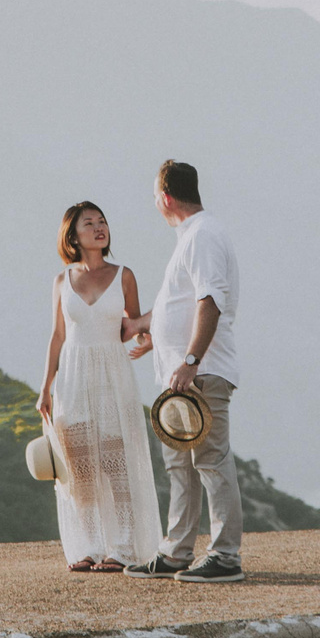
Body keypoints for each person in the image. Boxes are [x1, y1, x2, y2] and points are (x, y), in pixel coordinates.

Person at [123, 159, 244, 583]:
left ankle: (226, 556)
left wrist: (191, 360)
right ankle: (175, 552)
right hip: (179, 377)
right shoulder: (191, 236)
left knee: (210, 460)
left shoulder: (203, 235)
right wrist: (147, 328)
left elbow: (209, 300)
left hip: (200, 372)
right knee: (179, 464)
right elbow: (181, 303)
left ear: (165, 198)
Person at [36, 201, 161, 572]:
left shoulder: (124, 275)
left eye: (102, 221)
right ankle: (88, 546)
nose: (98, 227)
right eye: (88, 223)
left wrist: (148, 338)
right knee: (80, 468)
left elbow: (134, 324)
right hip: (73, 375)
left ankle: (121, 548)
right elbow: (57, 336)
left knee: (116, 462)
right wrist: (45, 387)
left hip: (111, 374)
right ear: (73, 235)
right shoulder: (62, 281)